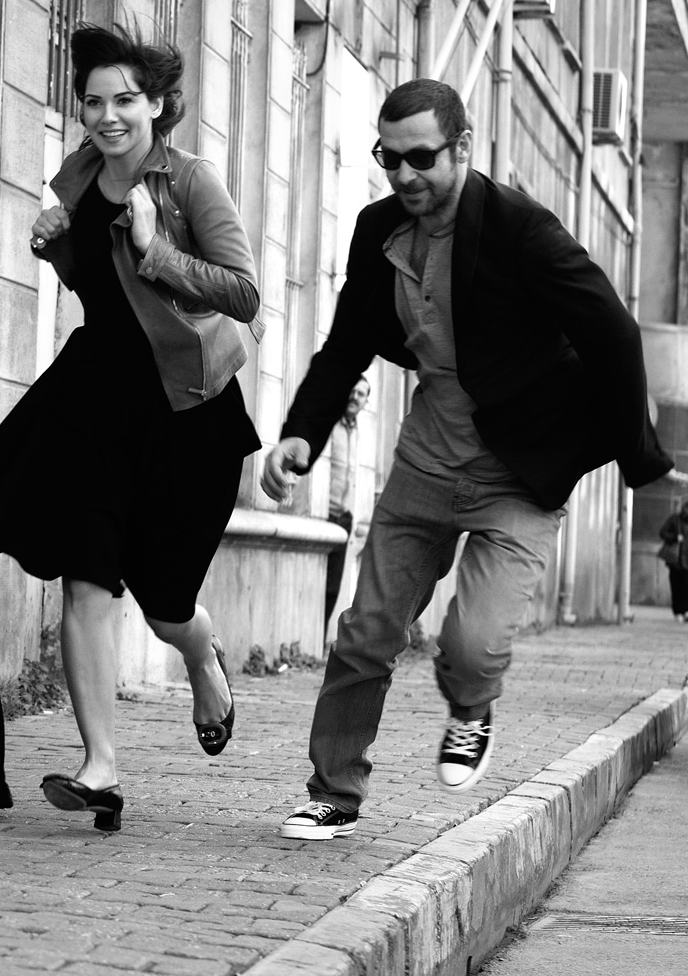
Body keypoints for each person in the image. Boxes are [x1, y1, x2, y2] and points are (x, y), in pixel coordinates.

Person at [263, 78, 675, 841]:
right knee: (366, 633)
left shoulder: (520, 228)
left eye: (421, 157)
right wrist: (301, 433)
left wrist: (639, 458)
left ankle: (471, 705)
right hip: (425, 464)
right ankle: (333, 791)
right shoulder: (380, 229)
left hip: (518, 474)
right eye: (390, 158)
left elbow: (612, 332)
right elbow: (350, 339)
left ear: (461, 146)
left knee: (473, 647)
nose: (405, 175)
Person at [0, 24, 261, 832]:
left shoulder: (191, 182)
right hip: (98, 399)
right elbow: (101, 285)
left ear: (157, 104)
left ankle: (200, 654)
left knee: (165, 604)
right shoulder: (80, 176)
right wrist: (55, 246)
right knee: (86, 573)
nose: (107, 116)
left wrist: (158, 249)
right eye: (93, 102)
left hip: (189, 412)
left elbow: (243, 293)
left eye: (125, 99)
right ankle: (100, 767)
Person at [323, 380, 372, 629]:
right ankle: (313, 637)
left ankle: (319, 637)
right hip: (324, 514)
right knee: (320, 585)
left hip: (344, 517)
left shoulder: (359, 431)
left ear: (366, 402)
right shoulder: (331, 423)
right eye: (352, 391)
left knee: (332, 587)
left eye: (360, 394)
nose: (354, 397)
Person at [658, 503, 688, 620]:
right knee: (676, 587)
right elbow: (662, 532)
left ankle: (685, 610)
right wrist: (675, 537)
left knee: (686, 586)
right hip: (675, 560)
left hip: (687, 559)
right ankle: (678, 611)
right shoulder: (674, 519)